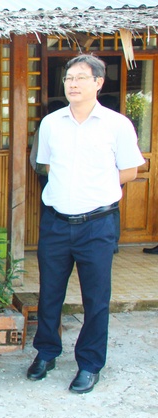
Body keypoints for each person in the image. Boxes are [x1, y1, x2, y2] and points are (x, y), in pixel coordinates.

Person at [27, 54, 145, 394]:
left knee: (96, 298)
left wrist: (97, 185)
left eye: (81, 77)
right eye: (68, 78)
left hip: (98, 224)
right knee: (49, 293)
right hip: (56, 222)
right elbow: (46, 166)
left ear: (98, 82)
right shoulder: (51, 124)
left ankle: (90, 364)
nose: (73, 83)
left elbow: (130, 170)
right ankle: (46, 353)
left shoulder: (117, 124)